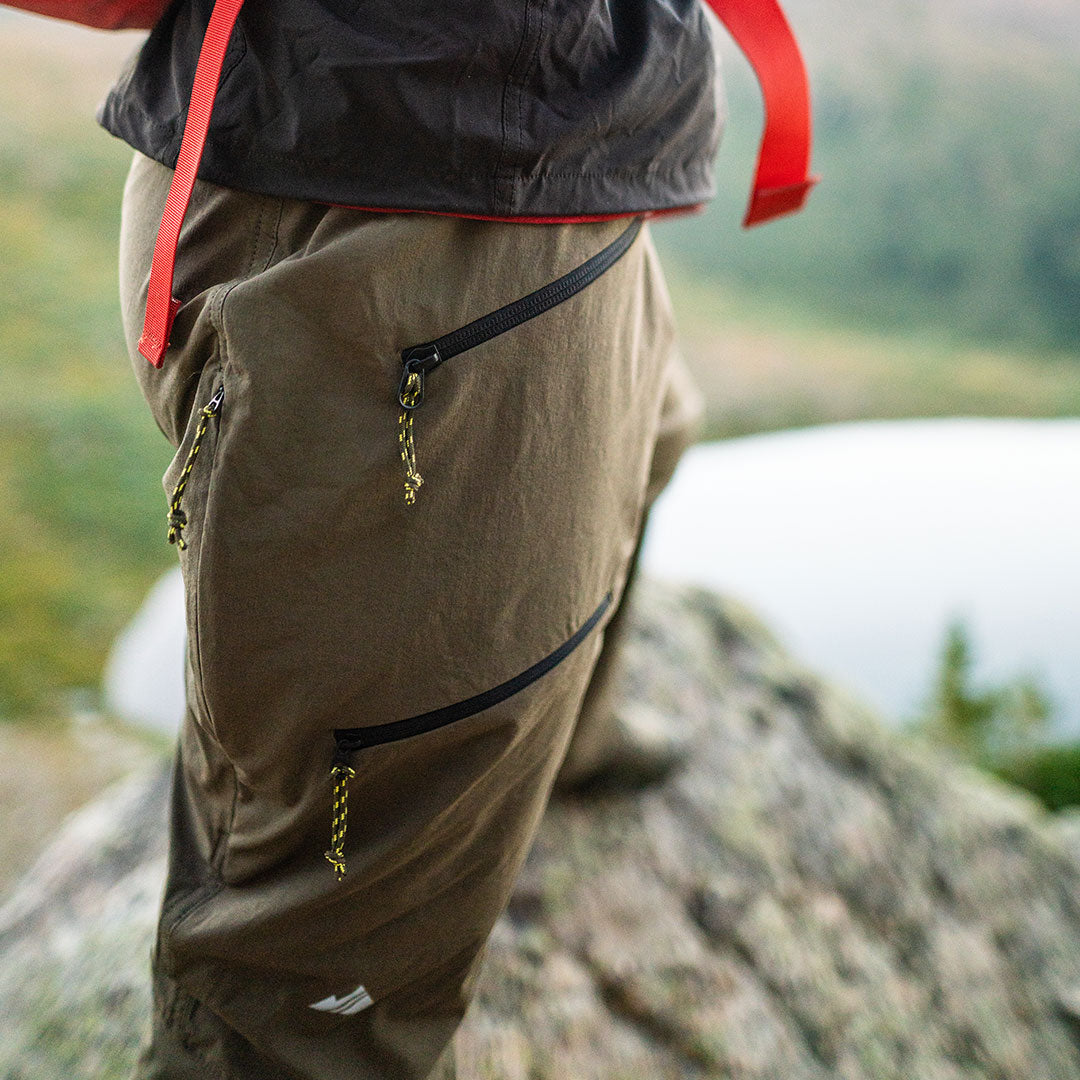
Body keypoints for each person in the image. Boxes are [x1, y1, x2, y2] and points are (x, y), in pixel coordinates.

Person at [7, 1, 815, 1076]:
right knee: (311, 1007)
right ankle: (441, 787)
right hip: (388, 203)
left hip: (530, 147)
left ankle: (543, 746)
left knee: (636, 449)